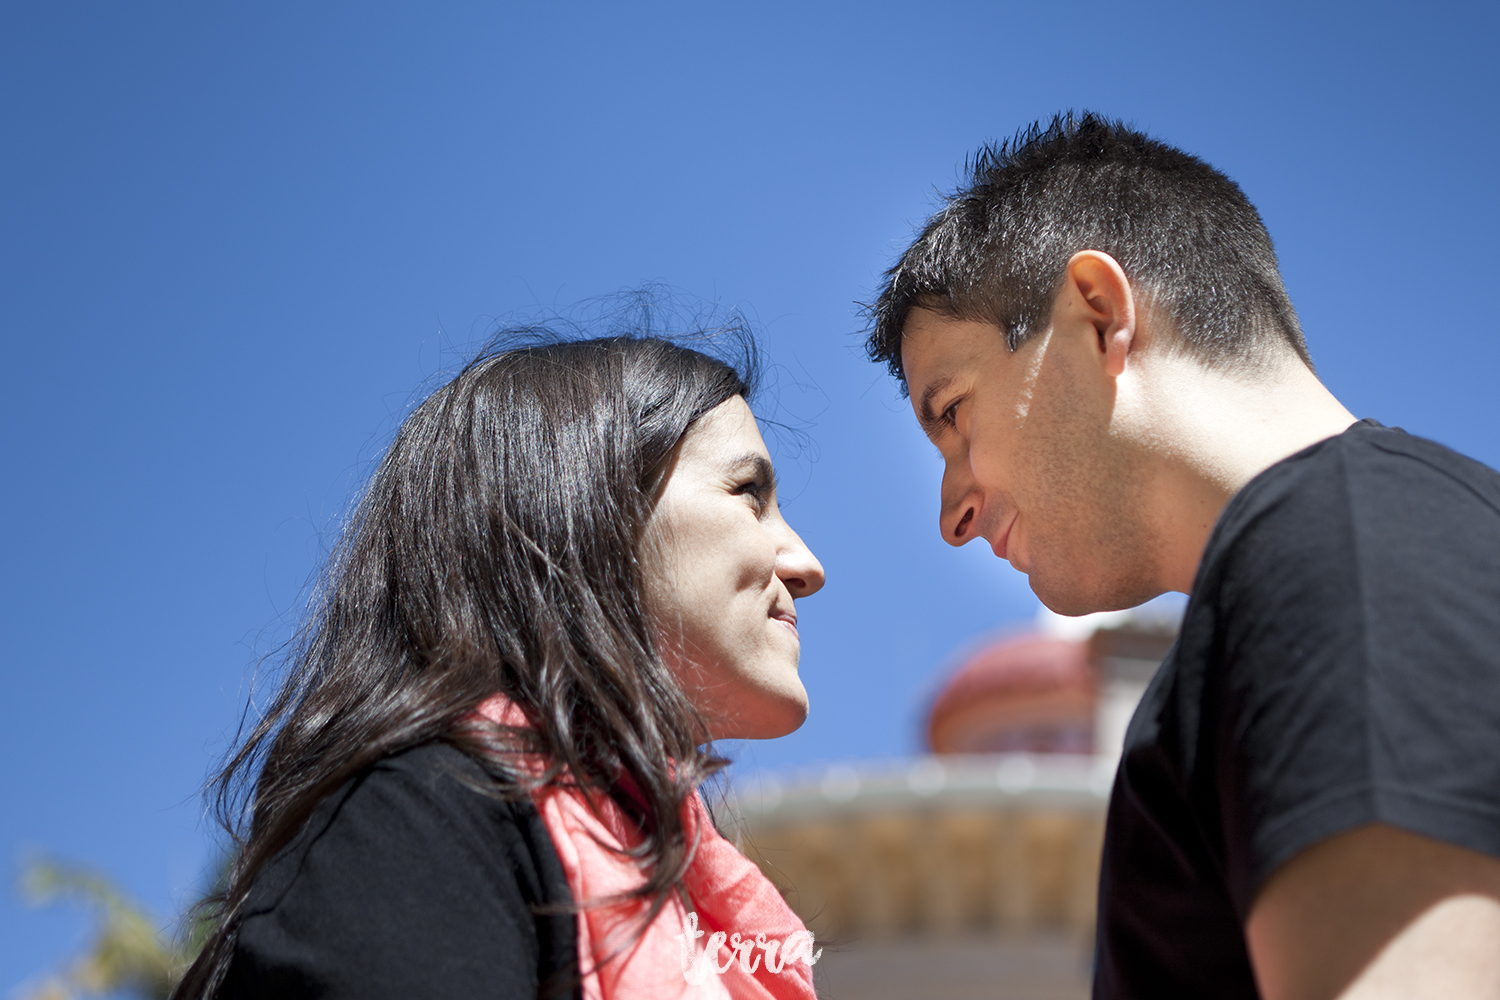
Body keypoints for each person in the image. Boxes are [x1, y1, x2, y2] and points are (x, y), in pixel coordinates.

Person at [864, 112, 1500, 999]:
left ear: (1098, 315)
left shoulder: (1338, 558)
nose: (954, 513)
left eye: (955, 413)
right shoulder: (1320, 572)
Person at [174, 328, 827, 1000]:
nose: (808, 566)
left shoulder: (693, 894)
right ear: (586, 507)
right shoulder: (412, 825)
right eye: (750, 492)